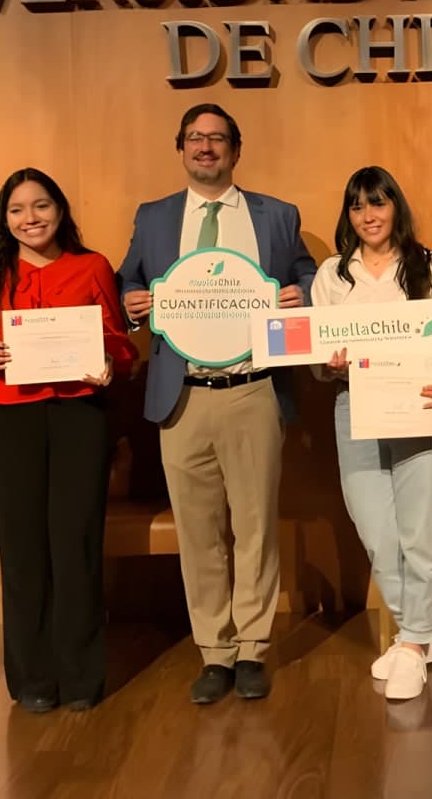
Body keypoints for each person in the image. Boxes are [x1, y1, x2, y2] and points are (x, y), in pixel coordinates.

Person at [117, 103, 317, 704]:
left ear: (236, 148)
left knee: (255, 527)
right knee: (199, 532)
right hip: (182, 396)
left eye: (218, 138)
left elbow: (311, 277)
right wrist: (132, 301)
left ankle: (253, 647)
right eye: (195, 138)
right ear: (180, 148)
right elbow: (129, 278)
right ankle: (214, 651)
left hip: (252, 390)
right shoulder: (153, 217)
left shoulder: (276, 216)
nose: (206, 147)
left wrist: (298, 293)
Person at [0, 169, 138, 714]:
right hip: (9, 419)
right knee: (23, 550)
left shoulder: (92, 267)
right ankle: (32, 678)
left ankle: (81, 676)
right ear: (4, 218)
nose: (29, 219)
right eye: (17, 210)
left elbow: (120, 346)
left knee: (76, 543)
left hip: (79, 416)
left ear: (60, 211)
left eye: (40, 206)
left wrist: (110, 362)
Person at [311, 167, 432, 701]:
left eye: (378, 204)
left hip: (421, 405)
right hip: (354, 406)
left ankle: (414, 644)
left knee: (419, 533)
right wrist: (327, 366)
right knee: (377, 532)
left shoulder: (430, 266)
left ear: (395, 207)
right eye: (357, 207)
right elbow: (317, 357)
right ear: (348, 215)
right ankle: (419, 636)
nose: (369, 216)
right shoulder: (333, 274)